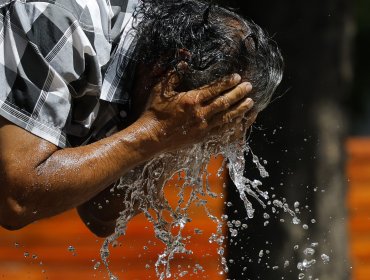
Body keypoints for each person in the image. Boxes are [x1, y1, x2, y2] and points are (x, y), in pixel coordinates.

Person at [0, 0, 283, 234]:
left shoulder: (148, 66)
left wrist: (167, 140)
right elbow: (15, 200)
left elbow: (102, 214)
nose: (199, 141)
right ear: (168, 71)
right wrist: (155, 132)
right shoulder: (58, 21)